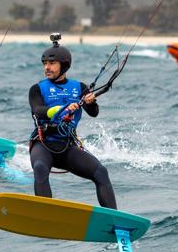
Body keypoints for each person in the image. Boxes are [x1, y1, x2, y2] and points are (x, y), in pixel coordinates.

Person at [28, 35, 117, 209]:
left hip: (68, 146)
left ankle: (114, 220)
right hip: (43, 144)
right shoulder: (37, 88)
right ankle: (46, 215)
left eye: (51, 63)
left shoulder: (79, 88)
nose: (47, 67)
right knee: (39, 168)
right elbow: (37, 110)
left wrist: (92, 102)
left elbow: (94, 113)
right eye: (44, 63)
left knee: (101, 172)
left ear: (64, 65)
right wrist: (63, 109)